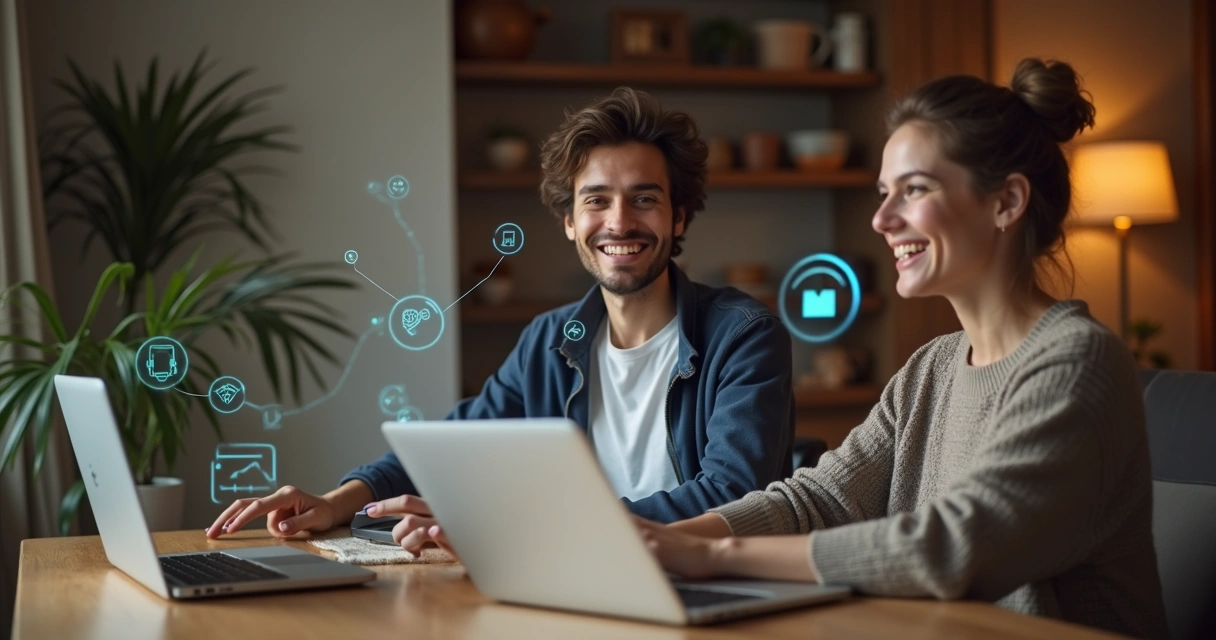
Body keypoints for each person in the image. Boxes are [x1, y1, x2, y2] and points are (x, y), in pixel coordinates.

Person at [633, 59, 1169, 639]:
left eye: (914, 189)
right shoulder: (931, 368)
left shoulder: (1078, 363)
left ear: (1007, 202)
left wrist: (713, 556)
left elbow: (951, 549)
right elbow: (820, 500)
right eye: (884, 193)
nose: (881, 219)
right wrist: (662, 540)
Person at [207, 87, 796, 546]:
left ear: (679, 217)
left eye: (644, 198)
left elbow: (732, 497)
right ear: (570, 222)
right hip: (571, 582)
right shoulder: (548, 340)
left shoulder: (743, 335)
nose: (619, 221)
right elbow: (450, 447)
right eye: (596, 200)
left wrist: (523, 529)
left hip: (704, 586)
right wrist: (338, 501)